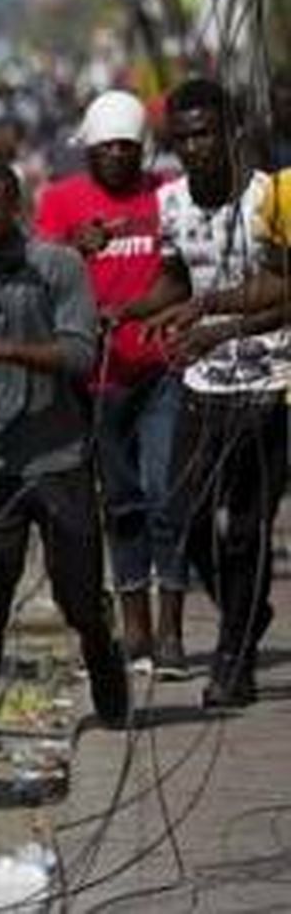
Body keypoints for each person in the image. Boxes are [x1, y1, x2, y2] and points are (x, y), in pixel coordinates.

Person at [0, 159, 129, 804]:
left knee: (76, 598)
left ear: (14, 208)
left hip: (61, 461)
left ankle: (103, 656)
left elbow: (80, 352)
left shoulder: (57, 267)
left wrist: (3, 351)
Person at [141, 78, 291, 708]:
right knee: (185, 518)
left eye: (205, 134)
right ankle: (243, 611)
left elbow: (286, 291)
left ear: (231, 132)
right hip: (203, 385)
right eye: (183, 139)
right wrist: (126, 311)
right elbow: (174, 280)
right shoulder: (171, 201)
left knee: (246, 528)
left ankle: (233, 662)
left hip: (271, 384)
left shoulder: (273, 196)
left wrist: (218, 322)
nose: (195, 148)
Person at [35, 90, 184, 679]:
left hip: (161, 369)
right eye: (107, 148)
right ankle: (136, 633)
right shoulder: (62, 200)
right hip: (98, 382)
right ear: (89, 151)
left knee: (166, 494)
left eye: (128, 147)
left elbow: (184, 275)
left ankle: (171, 633)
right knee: (121, 504)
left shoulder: (166, 195)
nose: (118, 157)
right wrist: (77, 247)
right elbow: (36, 271)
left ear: (142, 149)